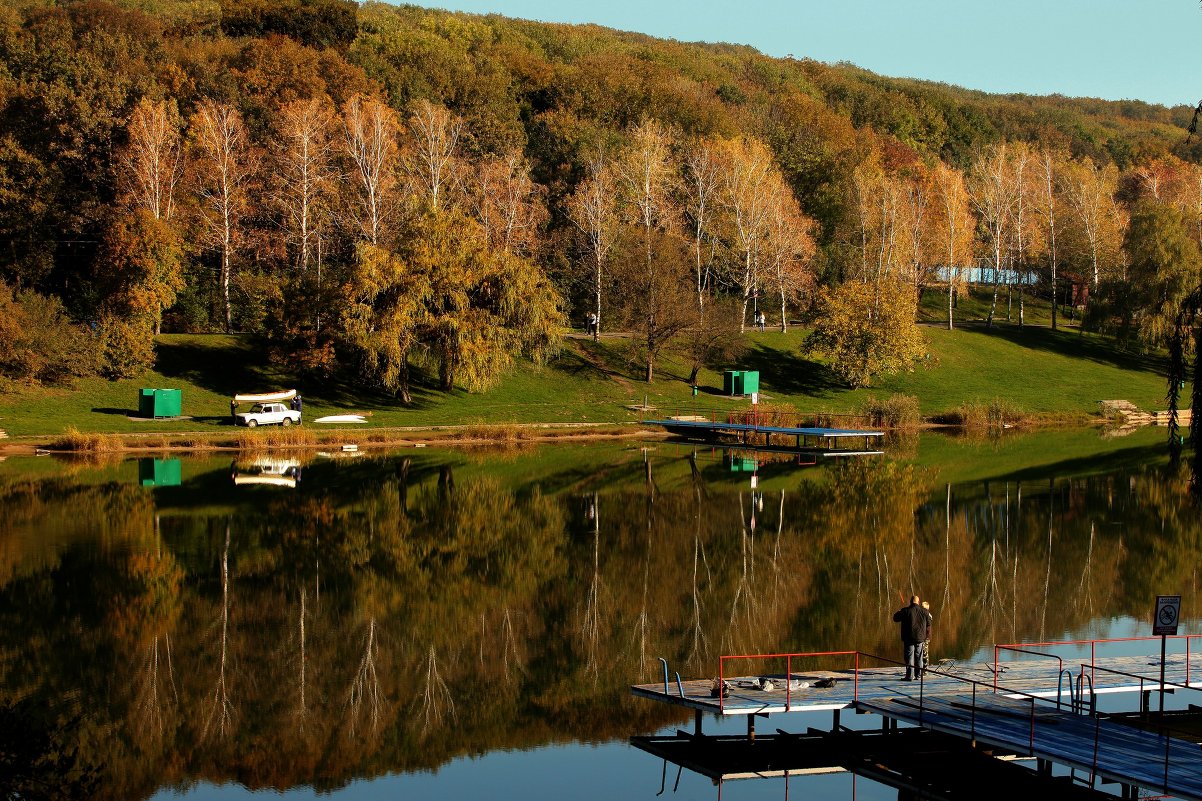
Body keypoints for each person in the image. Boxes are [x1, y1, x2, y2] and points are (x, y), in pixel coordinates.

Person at [892, 595, 930, 681]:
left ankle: (909, 676)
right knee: (919, 657)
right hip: (920, 638)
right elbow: (929, 623)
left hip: (908, 638)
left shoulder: (905, 611)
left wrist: (899, 611)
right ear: (918, 602)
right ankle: (918, 675)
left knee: (909, 657)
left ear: (910, 601)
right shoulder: (924, 612)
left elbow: (895, 618)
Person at [920, 601, 933, 676]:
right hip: (924, 636)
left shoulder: (927, 615)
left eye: (922, 607)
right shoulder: (926, 614)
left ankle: (925, 670)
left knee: (925, 653)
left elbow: (927, 627)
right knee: (922, 653)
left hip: (926, 636)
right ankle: (923, 668)